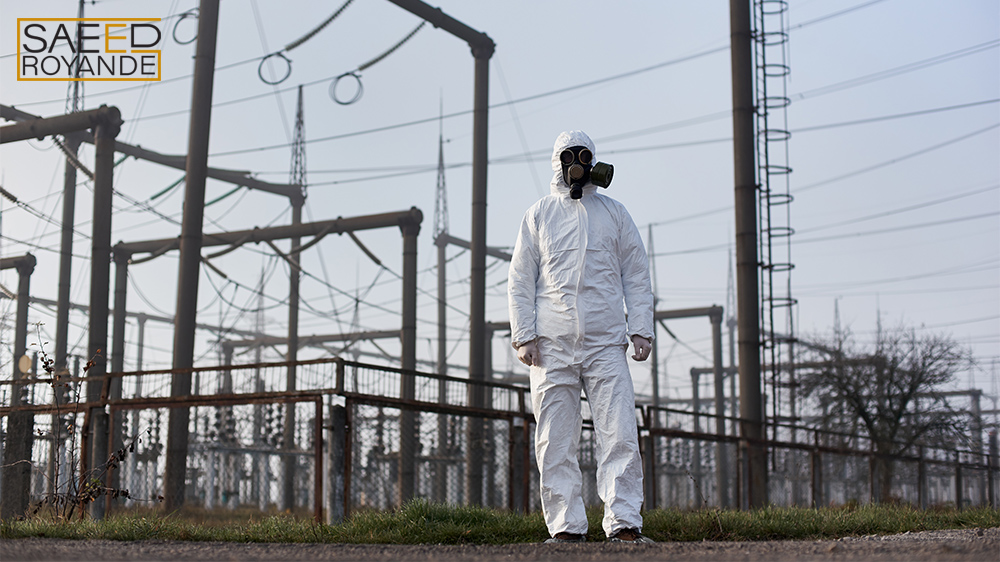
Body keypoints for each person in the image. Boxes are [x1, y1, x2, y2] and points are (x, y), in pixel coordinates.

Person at [507, 130, 655, 544]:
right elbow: (520, 279)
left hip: (606, 343)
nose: (576, 162)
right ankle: (566, 528)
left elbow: (636, 273)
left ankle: (624, 523)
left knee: (620, 431)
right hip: (551, 346)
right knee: (555, 439)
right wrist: (524, 336)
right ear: (557, 162)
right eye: (569, 155)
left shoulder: (614, 212)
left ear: (593, 161)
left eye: (583, 155)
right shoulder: (539, 214)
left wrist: (640, 326)